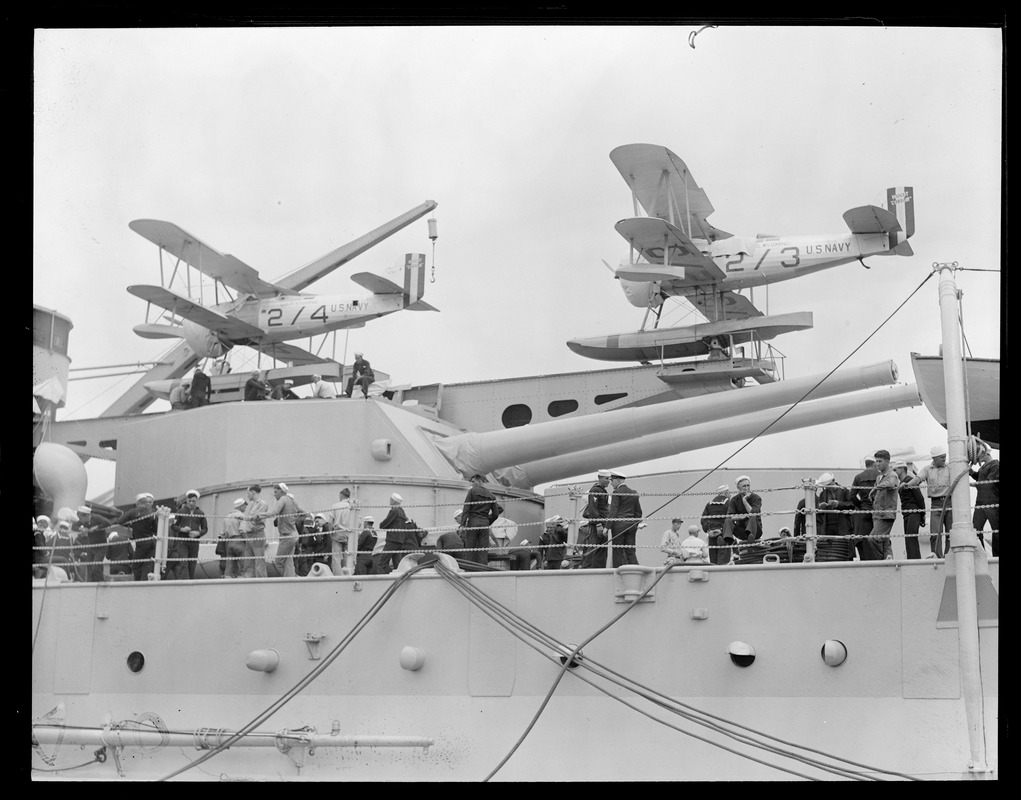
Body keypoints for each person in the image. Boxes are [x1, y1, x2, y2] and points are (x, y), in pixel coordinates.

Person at [906, 444, 952, 558]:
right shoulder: (927, 469)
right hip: (935, 504)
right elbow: (918, 479)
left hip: (950, 502)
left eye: (945, 456)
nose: (944, 459)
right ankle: (937, 556)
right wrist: (907, 485)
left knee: (950, 534)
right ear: (934, 458)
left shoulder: (950, 467)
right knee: (935, 533)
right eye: (941, 457)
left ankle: (949, 557)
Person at [115, 492, 159, 581]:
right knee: (147, 565)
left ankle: (138, 582)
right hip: (151, 542)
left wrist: (130, 525)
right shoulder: (151, 513)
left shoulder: (133, 512)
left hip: (141, 542)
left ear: (138, 502)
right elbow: (156, 528)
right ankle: (144, 583)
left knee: (136, 565)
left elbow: (120, 521)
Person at [461, 474, 500, 567]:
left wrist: (462, 524)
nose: (472, 484)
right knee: (483, 550)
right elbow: (496, 514)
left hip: (473, 523)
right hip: (484, 524)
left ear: (480, 481)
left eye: (473, 481)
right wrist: (487, 521)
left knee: (470, 549)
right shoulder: (491, 496)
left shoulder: (472, 491)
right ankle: (482, 570)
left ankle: (469, 569)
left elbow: (466, 508)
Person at [868, 449, 900, 560]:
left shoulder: (892, 475)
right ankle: (888, 559)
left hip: (886, 514)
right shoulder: (879, 477)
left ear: (887, 461)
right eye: (876, 461)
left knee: (873, 538)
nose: (877, 464)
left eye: (880, 461)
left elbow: (892, 483)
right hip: (877, 513)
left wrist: (876, 487)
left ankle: (881, 561)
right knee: (885, 540)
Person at [170, 489, 208, 579]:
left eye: (193, 501)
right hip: (182, 541)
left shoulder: (201, 513)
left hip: (194, 542)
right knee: (184, 563)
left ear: (196, 501)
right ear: (186, 501)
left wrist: (198, 533)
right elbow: (173, 526)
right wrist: (182, 529)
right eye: (189, 501)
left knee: (192, 563)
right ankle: (184, 583)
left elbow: (205, 529)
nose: (191, 503)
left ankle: (190, 581)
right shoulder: (180, 512)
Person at [722, 475, 762, 560]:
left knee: (752, 516)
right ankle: (730, 541)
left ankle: (750, 537)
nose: (747, 488)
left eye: (748, 485)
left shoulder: (756, 498)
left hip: (755, 531)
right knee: (727, 521)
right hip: (742, 531)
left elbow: (753, 512)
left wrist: (744, 501)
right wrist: (740, 517)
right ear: (738, 488)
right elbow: (729, 516)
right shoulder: (734, 500)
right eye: (744, 486)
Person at [608, 472, 643, 567]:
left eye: (612, 480)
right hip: (631, 525)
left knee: (617, 551)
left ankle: (617, 573)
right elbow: (638, 512)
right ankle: (635, 571)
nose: (611, 483)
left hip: (618, 525)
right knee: (630, 551)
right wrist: (634, 524)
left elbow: (613, 510)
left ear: (618, 480)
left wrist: (607, 527)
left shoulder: (617, 493)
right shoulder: (633, 493)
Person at [970, 444, 999, 556]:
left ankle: (996, 557)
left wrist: (975, 484)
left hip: (992, 502)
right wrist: (972, 472)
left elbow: (989, 482)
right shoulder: (985, 466)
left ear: (985, 453)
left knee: (996, 531)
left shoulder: (995, 465)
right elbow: (980, 477)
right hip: (982, 503)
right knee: (976, 530)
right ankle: (981, 555)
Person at [580, 470, 611, 569]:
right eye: (606, 479)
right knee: (593, 547)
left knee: (602, 548)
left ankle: (599, 569)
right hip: (598, 524)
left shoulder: (602, 490)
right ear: (600, 477)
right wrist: (598, 524)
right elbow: (593, 508)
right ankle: (586, 569)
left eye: (609, 479)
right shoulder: (595, 490)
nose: (608, 481)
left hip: (603, 523)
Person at [895, 462, 926, 559]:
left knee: (911, 537)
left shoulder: (910, 480)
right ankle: (913, 559)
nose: (894, 472)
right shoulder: (901, 484)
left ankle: (914, 560)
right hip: (907, 514)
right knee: (909, 538)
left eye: (895, 470)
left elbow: (920, 498)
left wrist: (922, 514)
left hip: (913, 512)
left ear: (901, 469)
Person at [72, 504, 112, 582]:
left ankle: (101, 582)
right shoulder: (82, 522)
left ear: (86, 516)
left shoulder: (96, 518)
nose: (80, 520)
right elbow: (74, 526)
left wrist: (96, 527)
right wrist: (81, 529)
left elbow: (108, 523)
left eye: (81, 518)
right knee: (89, 566)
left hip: (101, 545)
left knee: (96, 567)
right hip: (91, 545)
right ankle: (91, 582)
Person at [379, 493, 416, 573]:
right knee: (397, 564)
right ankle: (398, 576)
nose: (390, 501)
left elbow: (383, 524)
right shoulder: (402, 511)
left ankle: (385, 578)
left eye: (391, 499)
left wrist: (383, 525)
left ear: (393, 501)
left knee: (382, 563)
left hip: (392, 539)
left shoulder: (394, 511)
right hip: (400, 540)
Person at [270, 483, 301, 577]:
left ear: (282, 492)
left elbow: (274, 512)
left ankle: (286, 580)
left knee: (278, 562)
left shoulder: (283, 500)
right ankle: (293, 579)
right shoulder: (293, 506)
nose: (274, 494)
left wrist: (259, 516)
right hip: (294, 535)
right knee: (289, 561)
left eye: (275, 492)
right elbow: (301, 512)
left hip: (287, 536)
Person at [850, 458, 879, 560]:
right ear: (874, 465)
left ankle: (867, 559)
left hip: (864, 509)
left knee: (865, 538)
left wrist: (861, 505)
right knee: (879, 536)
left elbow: (852, 496)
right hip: (877, 510)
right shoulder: (879, 476)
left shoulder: (858, 477)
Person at [241, 484, 270, 578]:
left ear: (253, 492)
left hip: (257, 533)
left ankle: (261, 584)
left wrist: (244, 517)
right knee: (248, 562)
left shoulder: (263, 504)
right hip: (249, 535)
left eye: (248, 493)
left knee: (259, 561)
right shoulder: (250, 505)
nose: (247, 495)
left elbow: (256, 517)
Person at [701, 485, 731, 565]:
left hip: (711, 534)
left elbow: (703, 519)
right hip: (723, 534)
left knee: (713, 559)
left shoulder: (709, 504)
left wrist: (708, 530)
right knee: (724, 559)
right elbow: (730, 518)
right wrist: (721, 530)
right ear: (726, 492)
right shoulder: (728, 503)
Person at [329, 487, 355, 573]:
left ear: (341, 496)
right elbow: (357, 522)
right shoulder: (351, 507)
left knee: (336, 557)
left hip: (337, 533)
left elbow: (330, 522)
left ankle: (337, 576)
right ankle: (347, 574)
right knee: (348, 556)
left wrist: (330, 533)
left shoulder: (335, 506)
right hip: (349, 534)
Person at [220, 497, 247, 578]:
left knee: (229, 566)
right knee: (243, 565)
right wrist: (248, 540)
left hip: (229, 543)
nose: (245, 508)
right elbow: (242, 530)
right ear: (241, 506)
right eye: (245, 506)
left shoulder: (227, 517)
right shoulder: (242, 516)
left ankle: (228, 579)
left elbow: (223, 533)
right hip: (239, 541)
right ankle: (242, 580)